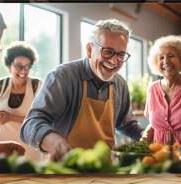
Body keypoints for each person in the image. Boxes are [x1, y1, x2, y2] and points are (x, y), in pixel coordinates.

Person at [20, 19, 143, 161]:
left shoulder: (120, 84)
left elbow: (126, 123)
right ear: (90, 50)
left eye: (121, 55)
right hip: (66, 168)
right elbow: (30, 124)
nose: (114, 61)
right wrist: (56, 143)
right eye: (108, 52)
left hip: (106, 168)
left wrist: (148, 136)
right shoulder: (63, 77)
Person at [0, 41, 42, 161]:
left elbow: (40, 120)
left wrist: (11, 118)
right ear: (9, 66)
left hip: (30, 149)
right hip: (3, 148)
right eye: (19, 65)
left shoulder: (37, 85)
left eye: (27, 66)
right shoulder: (1, 85)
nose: (23, 70)